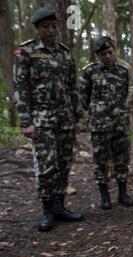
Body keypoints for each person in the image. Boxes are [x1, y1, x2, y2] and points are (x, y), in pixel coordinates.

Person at [13, 5, 84, 232]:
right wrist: (26, 120)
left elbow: (73, 87)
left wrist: (78, 116)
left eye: (54, 26)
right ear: (37, 29)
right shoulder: (26, 52)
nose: (51, 31)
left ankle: (60, 206)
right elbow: (21, 88)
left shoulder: (65, 53)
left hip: (65, 119)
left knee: (63, 163)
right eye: (46, 27)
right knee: (46, 166)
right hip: (41, 119)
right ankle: (47, 211)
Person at [79, 36, 133, 210]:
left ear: (114, 49)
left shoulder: (124, 69)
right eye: (104, 54)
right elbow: (83, 96)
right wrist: (91, 113)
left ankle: (122, 193)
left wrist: (124, 109)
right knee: (101, 161)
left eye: (110, 52)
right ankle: (104, 196)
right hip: (99, 125)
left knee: (121, 159)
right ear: (98, 55)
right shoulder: (90, 71)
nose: (108, 56)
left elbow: (131, 90)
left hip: (120, 123)